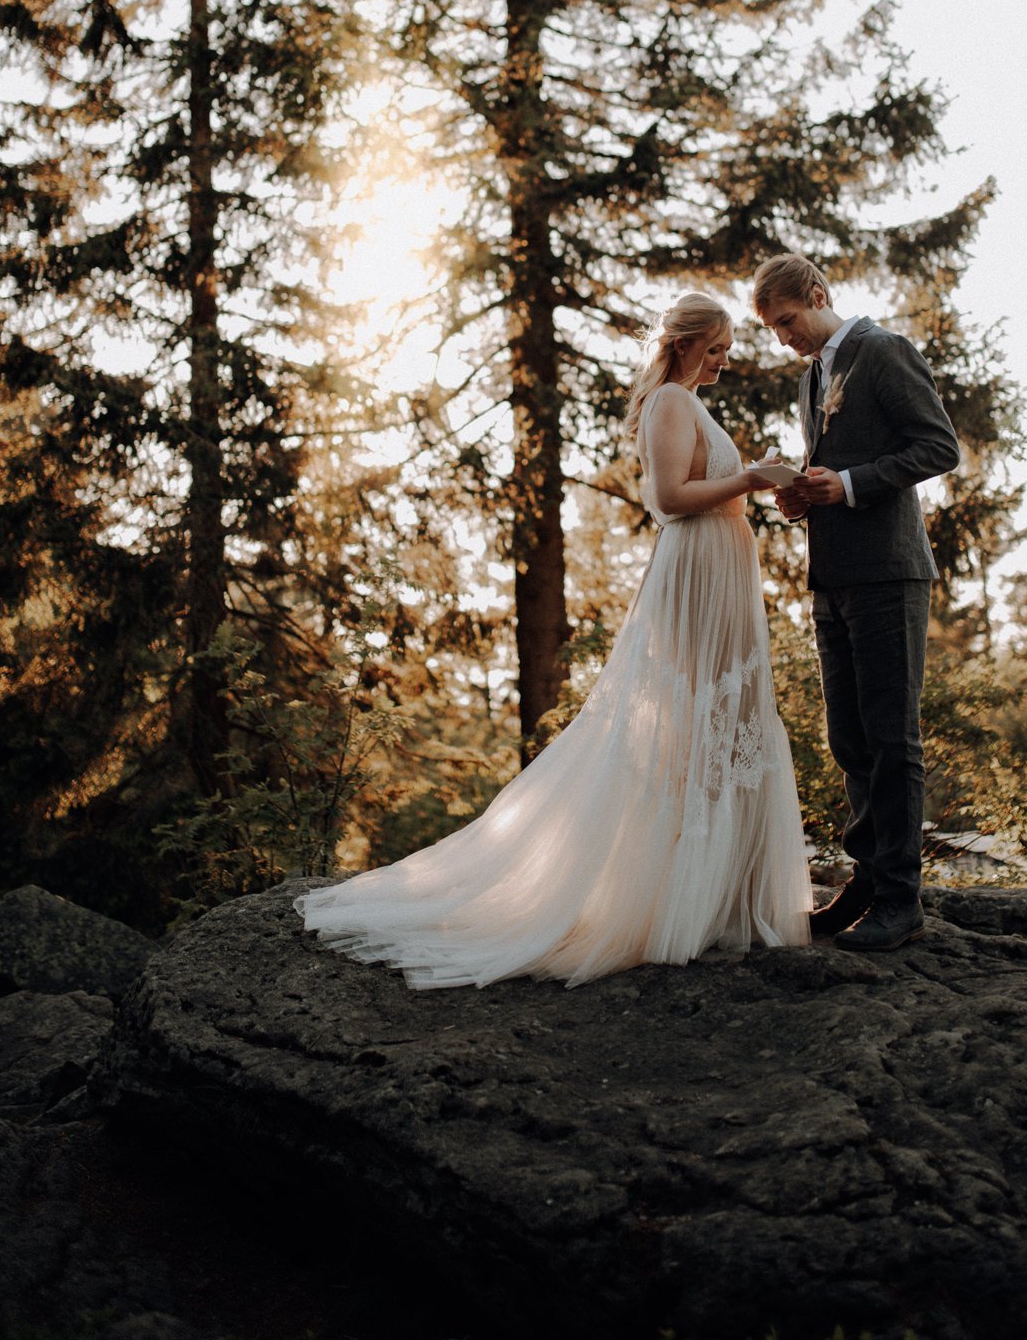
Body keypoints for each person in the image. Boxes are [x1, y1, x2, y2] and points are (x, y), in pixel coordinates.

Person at [295, 290, 812, 989]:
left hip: (721, 571)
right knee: (697, 722)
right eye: (714, 349)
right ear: (684, 344)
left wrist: (747, 483)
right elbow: (667, 499)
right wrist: (748, 478)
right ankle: (678, 902)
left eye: (725, 350)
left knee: (730, 721)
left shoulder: (690, 403)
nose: (722, 363)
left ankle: (722, 897)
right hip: (694, 573)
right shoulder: (669, 402)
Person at [752, 254, 960, 952]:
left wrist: (843, 485)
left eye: (787, 321)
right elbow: (833, 467)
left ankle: (902, 900)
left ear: (817, 295)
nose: (784, 339)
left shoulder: (883, 351)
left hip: (888, 572)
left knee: (889, 736)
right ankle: (866, 882)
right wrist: (802, 492)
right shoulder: (813, 376)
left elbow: (936, 447)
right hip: (831, 575)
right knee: (848, 737)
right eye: (773, 330)